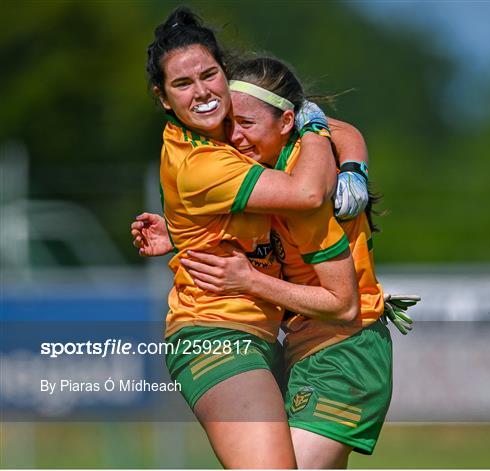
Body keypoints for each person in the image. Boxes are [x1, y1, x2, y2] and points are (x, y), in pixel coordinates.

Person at [134, 53, 416, 468]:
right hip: (302, 350)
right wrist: (178, 235)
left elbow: (343, 302)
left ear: (286, 123)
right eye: (231, 124)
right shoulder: (269, 170)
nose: (234, 137)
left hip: (346, 348)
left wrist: (249, 282)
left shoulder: (308, 179)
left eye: (245, 125)